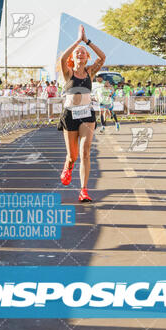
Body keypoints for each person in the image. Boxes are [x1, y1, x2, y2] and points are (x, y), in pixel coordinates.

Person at [58, 24, 106, 202]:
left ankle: (83, 190)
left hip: (86, 114)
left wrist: (87, 41)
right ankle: (68, 166)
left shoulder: (90, 72)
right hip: (70, 114)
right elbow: (63, 58)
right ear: (73, 57)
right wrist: (77, 41)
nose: (80, 53)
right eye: (77, 52)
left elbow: (102, 57)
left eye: (83, 52)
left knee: (85, 152)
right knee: (72, 156)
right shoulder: (68, 72)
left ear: (87, 58)